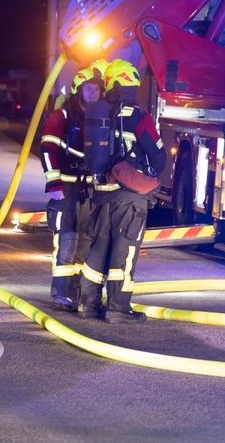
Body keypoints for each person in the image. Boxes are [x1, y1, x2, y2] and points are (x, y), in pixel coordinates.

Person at [78, 59, 166, 324]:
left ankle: (87, 304)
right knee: (123, 249)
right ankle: (118, 308)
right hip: (129, 195)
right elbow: (159, 158)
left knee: (99, 246)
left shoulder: (99, 114)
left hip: (103, 192)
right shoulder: (139, 117)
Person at [39, 62, 103, 311]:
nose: (93, 93)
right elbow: (47, 149)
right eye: (89, 88)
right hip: (65, 188)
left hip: (89, 188)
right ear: (78, 89)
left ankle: (77, 292)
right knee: (66, 239)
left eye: (97, 89)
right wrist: (54, 183)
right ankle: (61, 292)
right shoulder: (62, 116)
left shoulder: (99, 116)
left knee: (85, 240)